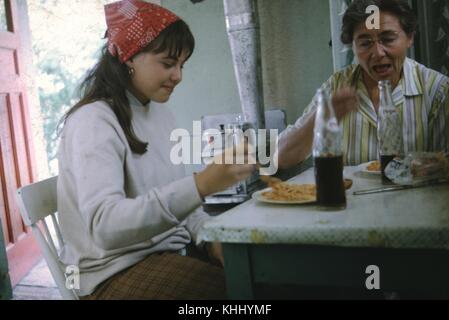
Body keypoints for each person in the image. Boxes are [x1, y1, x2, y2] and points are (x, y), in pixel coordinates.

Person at [57, 0, 254, 300]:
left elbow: (184, 210)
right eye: (168, 63)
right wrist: (201, 185)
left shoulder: (160, 115)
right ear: (129, 57)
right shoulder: (93, 121)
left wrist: (212, 239)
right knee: (245, 294)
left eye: (181, 65)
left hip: (166, 254)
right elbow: (104, 227)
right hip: (111, 275)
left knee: (259, 272)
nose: (178, 76)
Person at [278, 0, 449, 168]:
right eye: (365, 43)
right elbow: (280, 158)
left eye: (388, 39)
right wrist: (322, 119)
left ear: (409, 38)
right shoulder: (336, 87)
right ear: (353, 46)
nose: (378, 53)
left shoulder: (437, 91)